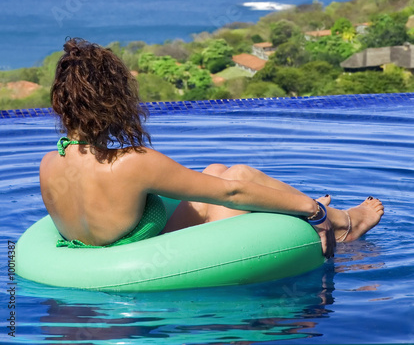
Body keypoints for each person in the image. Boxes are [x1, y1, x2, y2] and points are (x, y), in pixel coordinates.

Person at [40, 38, 384, 259]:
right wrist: (311, 210)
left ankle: (318, 210)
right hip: (145, 266)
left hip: (101, 256)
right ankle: (342, 222)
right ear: (115, 102)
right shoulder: (131, 163)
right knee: (237, 175)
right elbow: (233, 193)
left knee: (214, 171)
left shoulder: (49, 164)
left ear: (60, 104)